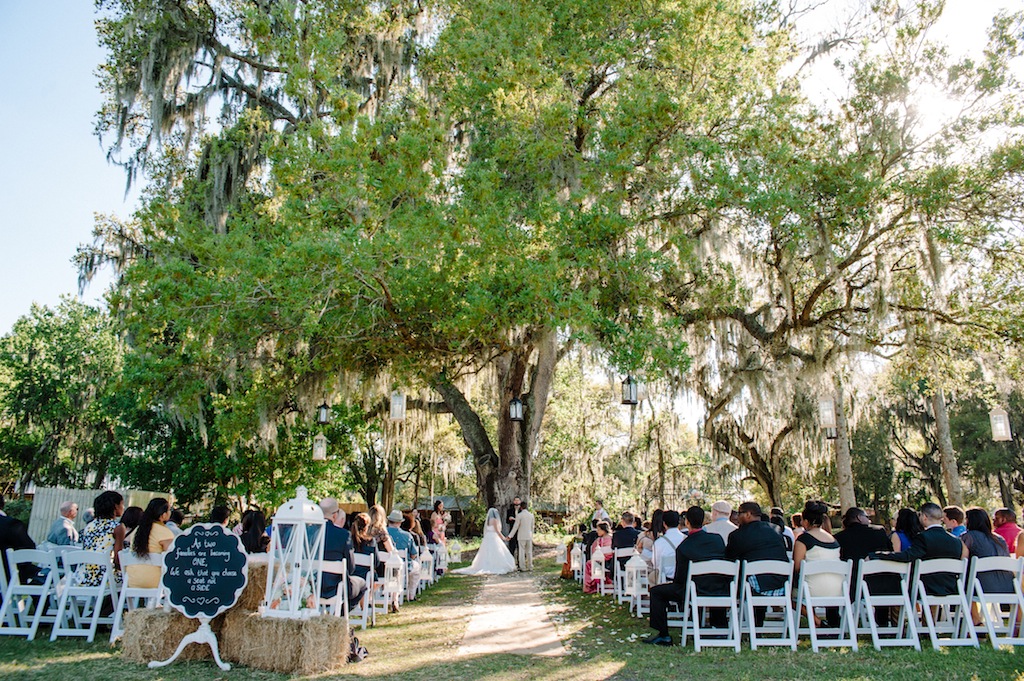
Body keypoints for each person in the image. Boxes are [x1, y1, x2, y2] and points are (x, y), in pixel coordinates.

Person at [643, 506, 729, 645]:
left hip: (694, 590)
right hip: (719, 588)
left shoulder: (684, 547)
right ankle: (719, 627)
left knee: (656, 592)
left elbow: (680, 579)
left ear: (687, 522)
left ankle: (663, 634)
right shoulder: (717, 539)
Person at [874, 502, 968, 596]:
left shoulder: (923, 537)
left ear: (924, 517)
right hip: (950, 588)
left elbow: (907, 556)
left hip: (924, 588)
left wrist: (878, 554)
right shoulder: (956, 541)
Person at [726, 501, 788, 626]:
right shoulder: (776, 529)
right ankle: (758, 623)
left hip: (754, 585)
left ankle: (752, 623)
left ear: (748, 514)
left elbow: (730, 560)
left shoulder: (737, 535)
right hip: (782, 582)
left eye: (740, 513)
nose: (737, 517)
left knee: (741, 578)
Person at [836, 507, 896, 626]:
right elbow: (890, 552)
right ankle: (882, 622)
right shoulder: (879, 532)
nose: (868, 520)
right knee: (882, 577)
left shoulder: (840, 537)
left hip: (853, 586)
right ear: (859, 517)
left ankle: (835, 623)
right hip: (883, 585)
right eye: (866, 517)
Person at [793, 500, 842, 627]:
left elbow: (797, 567)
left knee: (787, 595)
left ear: (806, 521)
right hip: (837, 590)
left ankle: (819, 623)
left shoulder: (804, 539)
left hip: (812, 590)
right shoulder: (834, 540)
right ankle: (830, 624)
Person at [319, 498, 367, 610]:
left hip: (314, 584)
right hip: (336, 586)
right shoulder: (344, 535)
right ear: (335, 515)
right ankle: (339, 616)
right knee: (362, 584)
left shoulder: (310, 533)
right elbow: (350, 568)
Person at [961, 508, 1013, 605]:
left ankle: (975, 619)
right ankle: (1018, 619)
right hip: (1007, 586)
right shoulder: (999, 539)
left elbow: (962, 560)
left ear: (970, 521)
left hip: (981, 587)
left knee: (963, 578)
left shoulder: (968, 537)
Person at [125, 498, 175, 588]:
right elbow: (172, 556)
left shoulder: (138, 530)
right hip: (155, 581)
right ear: (163, 515)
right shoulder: (164, 532)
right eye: (169, 510)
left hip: (132, 580)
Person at [79, 490, 124, 587]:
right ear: (116, 507)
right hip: (105, 578)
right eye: (122, 504)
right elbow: (118, 558)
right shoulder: (117, 527)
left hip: (84, 576)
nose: (123, 507)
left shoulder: (89, 526)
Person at [453, 508, 516, 575]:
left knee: (487, 551)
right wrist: (503, 538)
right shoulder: (494, 520)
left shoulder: (488, 520)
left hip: (488, 536)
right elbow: (497, 530)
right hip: (493, 536)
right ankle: (495, 564)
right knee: (496, 550)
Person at [0, 493, 38, 584]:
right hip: (9, 578)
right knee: (44, 577)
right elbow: (30, 550)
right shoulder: (11, 525)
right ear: (3, 504)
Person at [387, 509, 421, 599]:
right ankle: (411, 594)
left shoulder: (382, 534)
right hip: (403, 566)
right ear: (400, 522)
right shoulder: (407, 536)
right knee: (417, 568)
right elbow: (414, 554)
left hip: (384, 566)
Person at [652, 510, 685, 583]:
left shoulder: (658, 542)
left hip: (665, 580)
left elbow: (655, 564)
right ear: (678, 522)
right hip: (684, 580)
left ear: (664, 523)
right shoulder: (686, 539)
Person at [583, 521, 613, 593]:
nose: (597, 531)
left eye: (599, 529)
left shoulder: (599, 540)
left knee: (589, 563)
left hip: (601, 562)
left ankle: (589, 585)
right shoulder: (613, 538)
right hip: (611, 563)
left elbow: (593, 552)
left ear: (603, 530)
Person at [507, 500, 535, 571]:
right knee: (529, 552)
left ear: (521, 508)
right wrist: (532, 535)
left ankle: (523, 567)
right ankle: (530, 566)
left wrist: (510, 536)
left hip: (521, 536)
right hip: (529, 535)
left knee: (521, 552)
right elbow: (532, 527)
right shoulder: (531, 515)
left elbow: (515, 527)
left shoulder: (519, 516)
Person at [351, 512, 378, 581]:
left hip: (350, 576)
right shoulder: (371, 541)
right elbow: (376, 562)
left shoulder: (348, 540)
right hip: (366, 578)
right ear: (367, 527)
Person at [506, 496, 522, 562]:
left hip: (520, 531)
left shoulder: (522, 511)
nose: (516, 502)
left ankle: (519, 562)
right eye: (515, 500)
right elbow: (507, 521)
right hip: (512, 531)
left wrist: (515, 519)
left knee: (520, 548)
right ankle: (511, 562)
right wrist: (510, 519)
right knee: (511, 547)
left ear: (520, 501)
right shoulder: (510, 511)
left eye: (518, 500)